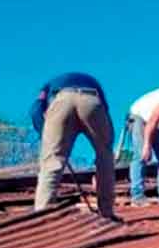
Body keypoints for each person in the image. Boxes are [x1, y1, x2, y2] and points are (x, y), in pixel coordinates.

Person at [29, 72, 118, 220]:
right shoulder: (93, 80)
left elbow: (35, 110)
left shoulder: (50, 83)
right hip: (92, 99)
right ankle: (107, 213)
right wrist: (107, 146)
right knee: (105, 157)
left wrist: (46, 136)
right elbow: (104, 109)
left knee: (52, 161)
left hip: (61, 99)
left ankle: (42, 212)